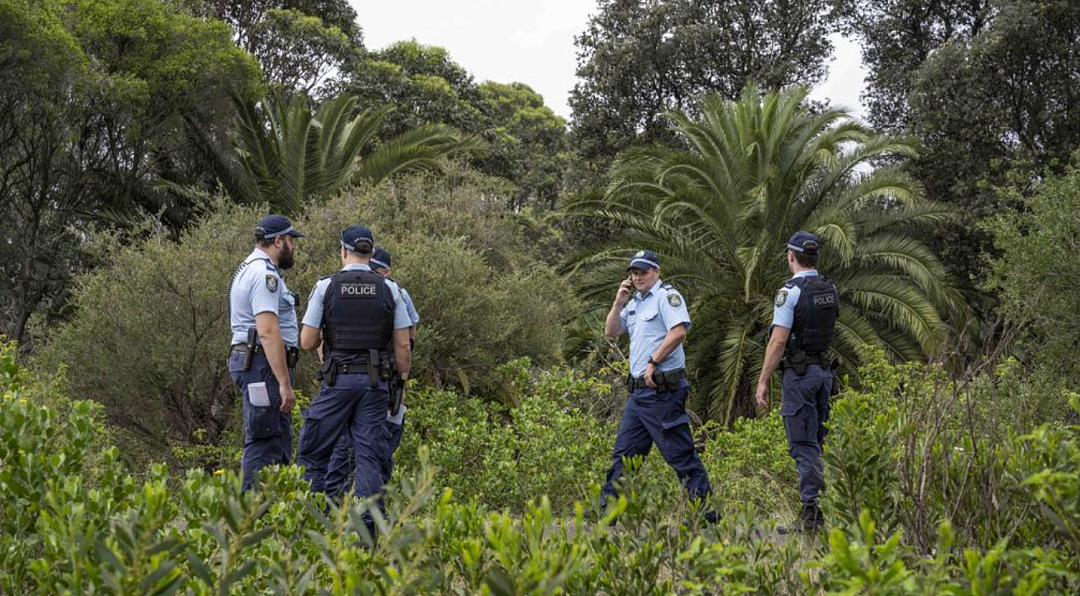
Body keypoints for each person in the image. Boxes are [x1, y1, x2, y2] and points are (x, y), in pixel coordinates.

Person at [296, 225, 412, 513]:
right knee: (369, 458)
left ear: (343, 251)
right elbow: (403, 346)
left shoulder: (326, 286)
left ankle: (310, 523)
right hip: (375, 385)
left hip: (337, 382)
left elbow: (307, 342)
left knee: (314, 452)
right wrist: (401, 380)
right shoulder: (390, 289)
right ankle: (369, 533)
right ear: (371, 253)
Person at [600, 250, 715, 519]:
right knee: (624, 456)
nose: (638, 277)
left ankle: (707, 516)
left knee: (681, 456)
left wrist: (653, 361)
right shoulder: (634, 302)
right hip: (638, 395)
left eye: (644, 271)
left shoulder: (666, 297)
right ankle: (607, 515)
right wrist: (618, 302)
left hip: (662, 392)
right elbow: (611, 331)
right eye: (634, 272)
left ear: (657, 272)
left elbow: (679, 331)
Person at [755, 231, 839, 534]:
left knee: (803, 443)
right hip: (824, 373)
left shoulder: (789, 293)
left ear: (791, 256)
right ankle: (827, 506)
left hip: (800, 377)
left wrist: (763, 380)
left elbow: (778, 341)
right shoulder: (829, 288)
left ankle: (811, 514)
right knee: (818, 441)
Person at [324, 247, 419, 497]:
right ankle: (353, 511)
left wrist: (400, 381)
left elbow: (407, 342)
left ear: (386, 271)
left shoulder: (394, 292)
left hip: (377, 380)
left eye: (375, 268)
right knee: (356, 448)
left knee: (375, 449)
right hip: (372, 381)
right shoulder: (388, 292)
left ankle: (359, 509)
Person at [227, 214, 303, 492]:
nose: (293, 247)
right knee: (265, 442)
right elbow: (268, 331)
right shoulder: (264, 274)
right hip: (261, 364)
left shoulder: (250, 268)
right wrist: (284, 383)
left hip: (256, 361)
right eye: (291, 241)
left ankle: (273, 520)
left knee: (278, 441)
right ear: (278, 241)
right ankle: (251, 521)